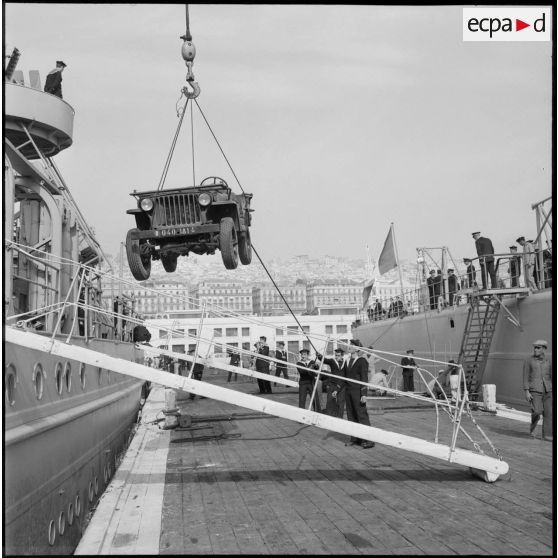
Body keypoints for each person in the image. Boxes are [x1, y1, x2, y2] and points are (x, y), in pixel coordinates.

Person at [344, 340, 374, 448]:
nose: (349, 346)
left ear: (357, 349)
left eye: (352, 345)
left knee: (361, 415)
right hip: (348, 392)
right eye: (349, 345)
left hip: (357, 392)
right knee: (351, 415)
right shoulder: (347, 361)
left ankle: (369, 440)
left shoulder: (362, 361)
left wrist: (364, 394)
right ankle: (355, 438)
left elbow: (364, 378)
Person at [523, 340, 552, 441]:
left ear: (544, 349)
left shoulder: (549, 360)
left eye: (538, 348)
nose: (535, 349)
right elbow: (525, 376)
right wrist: (526, 391)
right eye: (535, 347)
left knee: (549, 413)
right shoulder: (529, 360)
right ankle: (533, 429)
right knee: (537, 411)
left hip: (548, 390)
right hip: (534, 390)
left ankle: (548, 435)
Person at [317, 348, 346, 417]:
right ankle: (329, 417)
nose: (336, 357)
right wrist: (319, 356)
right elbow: (325, 360)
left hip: (342, 385)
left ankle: (339, 418)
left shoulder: (345, 363)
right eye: (336, 355)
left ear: (342, 356)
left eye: (338, 355)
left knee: (340, 403)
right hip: (332, 384)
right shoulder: (332, 361)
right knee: (330, 402)